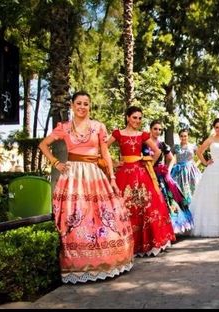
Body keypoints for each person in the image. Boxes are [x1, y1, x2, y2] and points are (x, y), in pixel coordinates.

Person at [38, 91, 134, 284]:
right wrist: (56, 163)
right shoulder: (64, 127)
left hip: (95, 174)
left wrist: (112, 177)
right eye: (79, 103)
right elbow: (43, 145)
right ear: (72, 105)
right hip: (73, 176)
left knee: (102, 215)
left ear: (90, 106)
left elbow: (105, 153)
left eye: (86, 104)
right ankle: (79, 264)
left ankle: (108, 260)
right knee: (76, 217)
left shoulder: (98, 126)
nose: (82, 107)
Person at [107, 106, 175, 257]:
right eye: (134, 117)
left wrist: (146, 163)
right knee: (124, 206)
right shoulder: (118, 133)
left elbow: (157, 152)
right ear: (127, 118)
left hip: (140, 173)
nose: (137, 121)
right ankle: (126, 244)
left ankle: (146, 244)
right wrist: (113, 162)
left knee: (146, 206)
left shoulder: (143, 135)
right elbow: (103, 148)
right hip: (123, 174)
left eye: (139, 118)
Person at [143, 120, 194, 235]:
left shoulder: (163, 144)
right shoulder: (144, 143)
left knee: (167, 198)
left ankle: (170, 228)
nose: (157, 131)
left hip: (161, 174)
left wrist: (166, 169)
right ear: (150, 129)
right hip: (147, 172)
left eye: (160, 129)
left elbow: (171, 158)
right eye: (155, 129)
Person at [170, 129, 202, 206]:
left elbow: (201, 158)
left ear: (188, 136)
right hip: (179, 172)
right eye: (181, 136)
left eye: (185, 136)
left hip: (191, 172)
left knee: (193, 190)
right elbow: (170, 158)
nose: (183, 138)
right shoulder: (175, 147)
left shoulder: (193, 146)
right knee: (179, 190)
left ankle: (193, 209)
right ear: (179, 137)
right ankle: (182, 209)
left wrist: (194, 165)